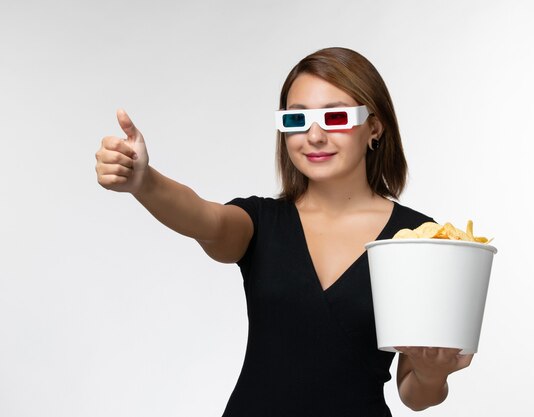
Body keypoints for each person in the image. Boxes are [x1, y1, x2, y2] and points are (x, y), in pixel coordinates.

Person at [95, 47, 473, 416]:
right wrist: (144, 181)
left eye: (336, 118)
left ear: (374, 127)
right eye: (296, 120)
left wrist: (432, 372)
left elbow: (416, 394)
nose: (314, 136)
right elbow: (203, 219)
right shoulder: (259, 222)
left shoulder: (419, 238)